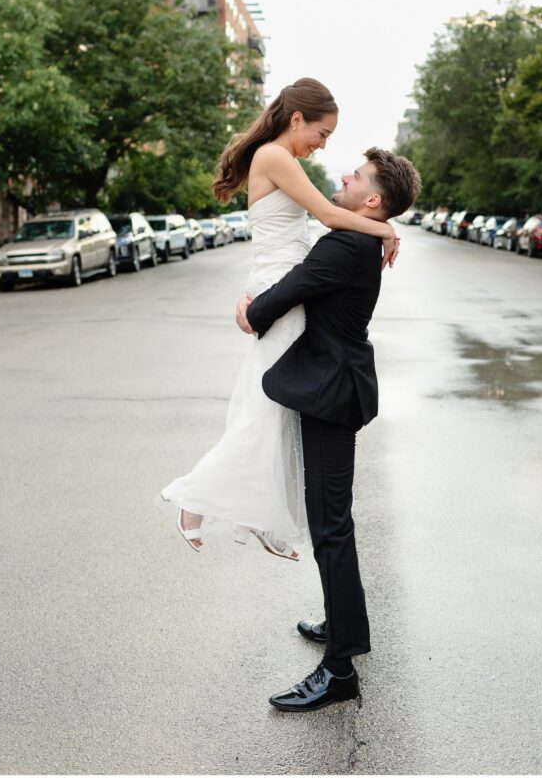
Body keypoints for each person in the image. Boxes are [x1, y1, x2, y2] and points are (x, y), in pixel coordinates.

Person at [159, 79, 399, 559]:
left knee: (276, 411)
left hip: (279, 283)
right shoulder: (274, 156)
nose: (324, 144)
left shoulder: (279, 158)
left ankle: (263, 519)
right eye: (323, 132)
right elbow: (329, 215)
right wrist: (384, 227)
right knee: (266, 411)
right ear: (297, 120)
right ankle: (193, 498)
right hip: (279, 289)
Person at [236, 147, 421, 711]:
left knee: (330, 527)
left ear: (371, 199)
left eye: (357, 175)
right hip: (337, 387)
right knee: (335, 522)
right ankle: (349, 629)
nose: (342, 174)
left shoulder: (345, 245)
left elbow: (280, 298)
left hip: (331, 394)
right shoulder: (362, 237)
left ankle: (340, 670)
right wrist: (384, 226)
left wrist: (250, 308)